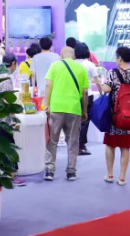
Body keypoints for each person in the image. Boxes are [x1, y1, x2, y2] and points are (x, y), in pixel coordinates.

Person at [42, 44, 89, 181]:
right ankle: (71, 171)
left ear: (61, 55)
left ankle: (50, 171)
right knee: (73, 141)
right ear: (73, 56)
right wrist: (84, 110)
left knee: (52, 140)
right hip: (74, 109)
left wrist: (46, 104)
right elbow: (85, 92)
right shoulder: (81, 68)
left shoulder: (54, 66)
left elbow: (48, 85)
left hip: (56, 108)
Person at [102, 46, 130, 185]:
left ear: (120, 58)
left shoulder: (112, 73)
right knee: (125, 146)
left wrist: (102, 84)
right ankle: (122, 177)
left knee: (110, 144)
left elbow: (107, 89)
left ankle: (110, 175)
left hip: (115, 115)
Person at [0, 53, 26, 186]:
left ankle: (4, 173)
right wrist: (14, 119)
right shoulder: (6, 78)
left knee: (1, 145)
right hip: (5, 119)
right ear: (13, 63)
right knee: (9, 145)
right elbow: (8, 101)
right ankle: (11, 175)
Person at [74, 43, 101, 156]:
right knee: (84, 121)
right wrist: (101, 93)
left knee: (74, 121)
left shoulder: (71, 64)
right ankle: (81, 146)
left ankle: (74, 145)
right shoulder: (90, 65)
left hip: (73, 96)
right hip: (87, 95)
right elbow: (97, 81)